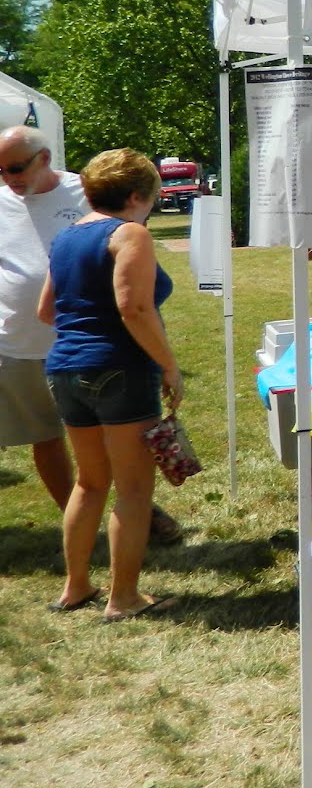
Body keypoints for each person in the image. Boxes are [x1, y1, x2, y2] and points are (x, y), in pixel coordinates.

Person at [0, 127, 181, 546]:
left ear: (44, 158)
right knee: (52, 441)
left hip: (72, 349)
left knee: (100, 460)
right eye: (1, 170)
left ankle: (97, 545)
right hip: (33, 344)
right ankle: (94, 533)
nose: (9, 178)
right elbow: (133, 306)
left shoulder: (89, 191)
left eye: (15, 167)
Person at [39, 148, 182, 620]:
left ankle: (76, 585)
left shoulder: (65, 238)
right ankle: (123, 598)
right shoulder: (130, 234)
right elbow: (133, 307)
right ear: (138, 195)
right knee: (134, 489)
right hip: (120, 367)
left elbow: (46, 311)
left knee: (89, 481)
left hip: (65, 368)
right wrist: (169, 365)